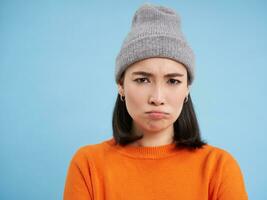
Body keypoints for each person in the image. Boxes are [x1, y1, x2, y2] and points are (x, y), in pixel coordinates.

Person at [63, 3, 248, 200]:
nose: (157, 98)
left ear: (187, 89)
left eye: (173, 81)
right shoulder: (88, 165)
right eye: (142, 80)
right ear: (121, 85)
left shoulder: (219, 167)